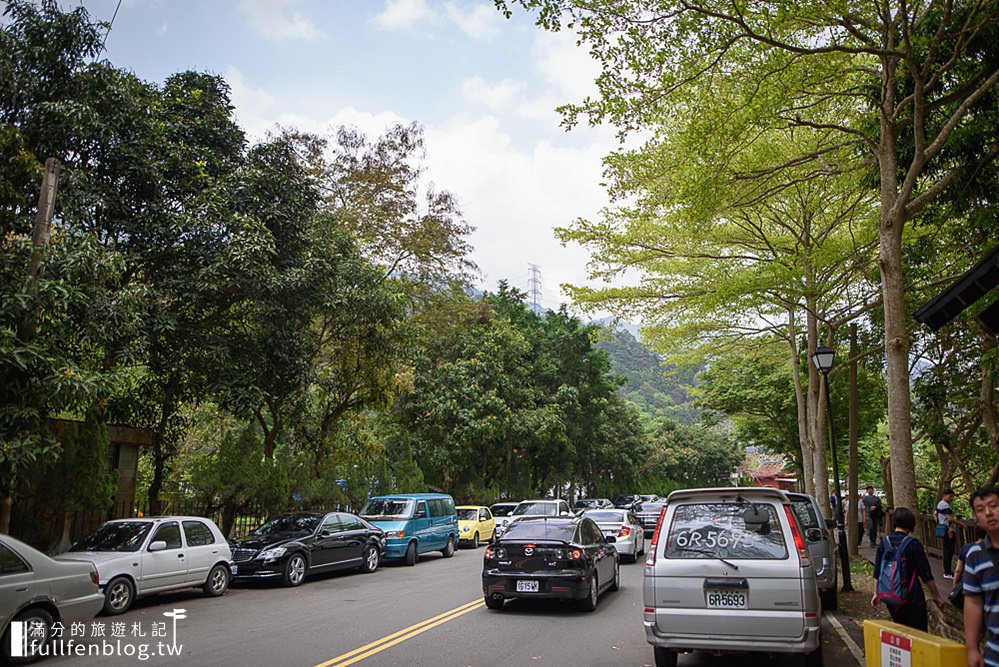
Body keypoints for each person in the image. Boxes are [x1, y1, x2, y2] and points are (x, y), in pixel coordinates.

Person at [871, 506, 947, 631]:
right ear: (911, 523)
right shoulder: (913, 544)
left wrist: (876, 593)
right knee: (918, 632)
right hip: (911, 597)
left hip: (890, 597)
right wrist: (936, 595)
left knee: (899, 629)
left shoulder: (885, 542)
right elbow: (925, 574)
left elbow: (878, 571)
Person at [963, 486, 999, 667]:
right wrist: (972, 648)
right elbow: (973, 603)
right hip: (994, 654)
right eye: (980, 510)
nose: (988, 513)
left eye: (993, 506)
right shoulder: (975, 556)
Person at [935, 487, 957, 579]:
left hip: (943, 529)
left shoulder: (940, 503)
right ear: (944, 495)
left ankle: (947, 571)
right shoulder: (945, 505)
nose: (951, 498)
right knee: (949, 551)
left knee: (947, 551)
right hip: (948, 530)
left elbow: (935, 514)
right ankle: (948, 572)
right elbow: (949, 518)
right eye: (950, 496)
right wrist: (961, 523)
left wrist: (939, 524)